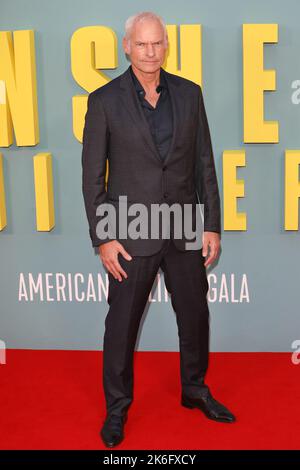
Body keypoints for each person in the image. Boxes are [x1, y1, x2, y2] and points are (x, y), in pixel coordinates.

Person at [81, 11, 236, 448]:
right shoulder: (105, 100)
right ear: (126, 46)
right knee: (121, 325)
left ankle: (195, 389)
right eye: (142, 44)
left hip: (185, 225)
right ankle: (117, 410)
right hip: (129, 229)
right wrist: (103, 237)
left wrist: (211, 225)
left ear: (166, 46)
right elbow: (93, 176)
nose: (150, 52)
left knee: (195, 314)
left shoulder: (189, 95)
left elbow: (204, 162)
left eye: (158, 44)